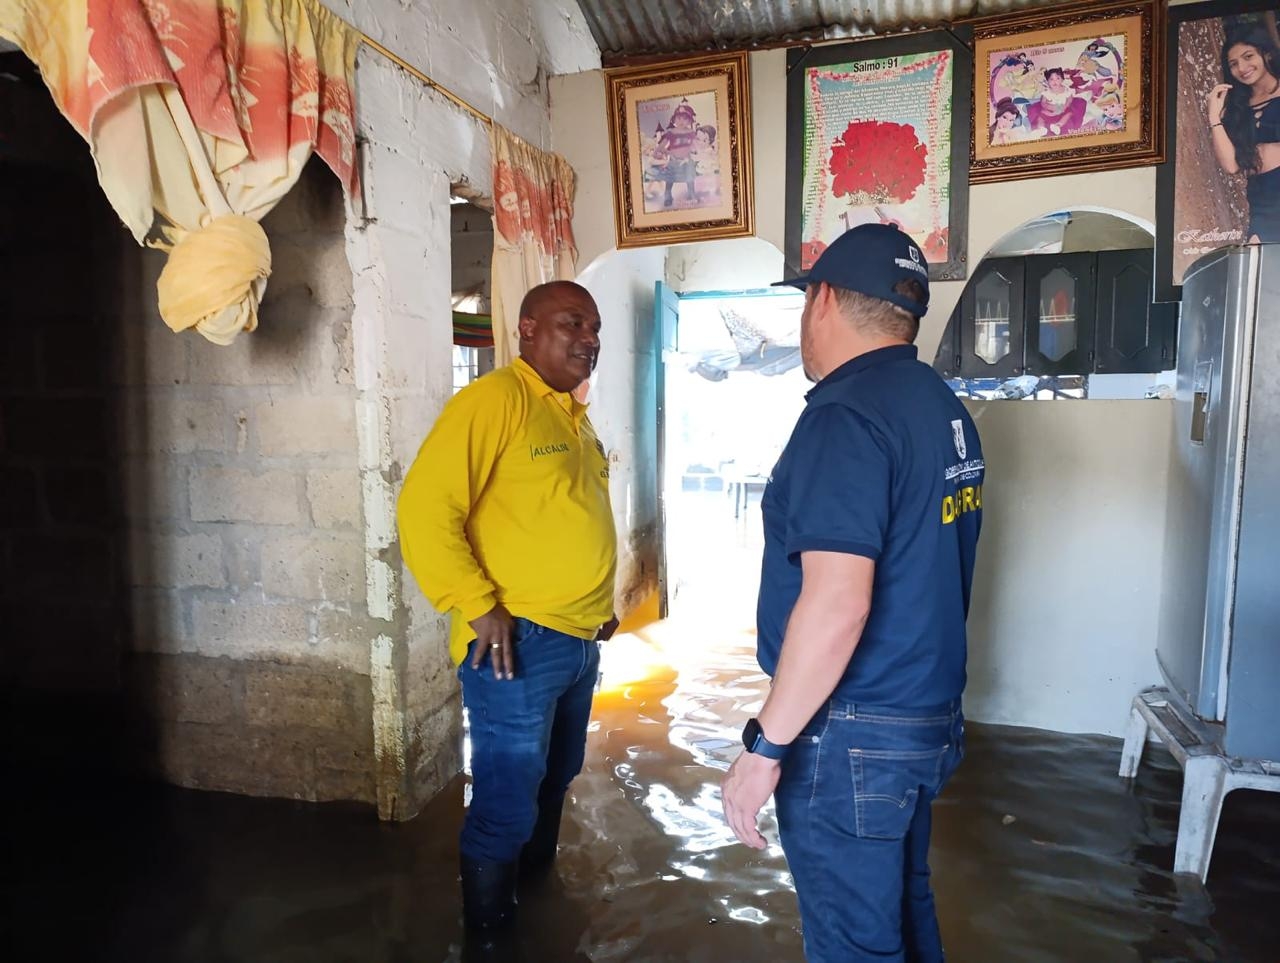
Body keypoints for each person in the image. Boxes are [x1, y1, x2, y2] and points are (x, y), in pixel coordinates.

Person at [720, 224, 985, 962]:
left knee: (852, 942)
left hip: (854, 730)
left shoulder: (845, 416)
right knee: (903, 909)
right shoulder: (943, 409)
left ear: (824, 299)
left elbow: (839, 602)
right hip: (923, 718)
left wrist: (766, 747)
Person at [397, 280, 619, 936]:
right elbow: (425, 508)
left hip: (576, 642)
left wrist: (596, 603)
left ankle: (536, 902)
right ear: (526, 329)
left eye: (595, 328)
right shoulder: (494, 401)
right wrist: (475, 603)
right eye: (571, 323)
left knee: (557, 775)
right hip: (516, 641)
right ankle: (489, 939)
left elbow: (562, 518)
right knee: (505, 800)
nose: (589, 339)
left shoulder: (570, 415)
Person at [1207, 28, 1280, 242]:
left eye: (1248, 57)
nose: (1242, 68)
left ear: (1265, 54)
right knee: (1258, 265)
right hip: (1261, 199)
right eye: (1233, 64)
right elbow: (1231, 165)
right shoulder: (1237, 107)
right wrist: (1214, 116)